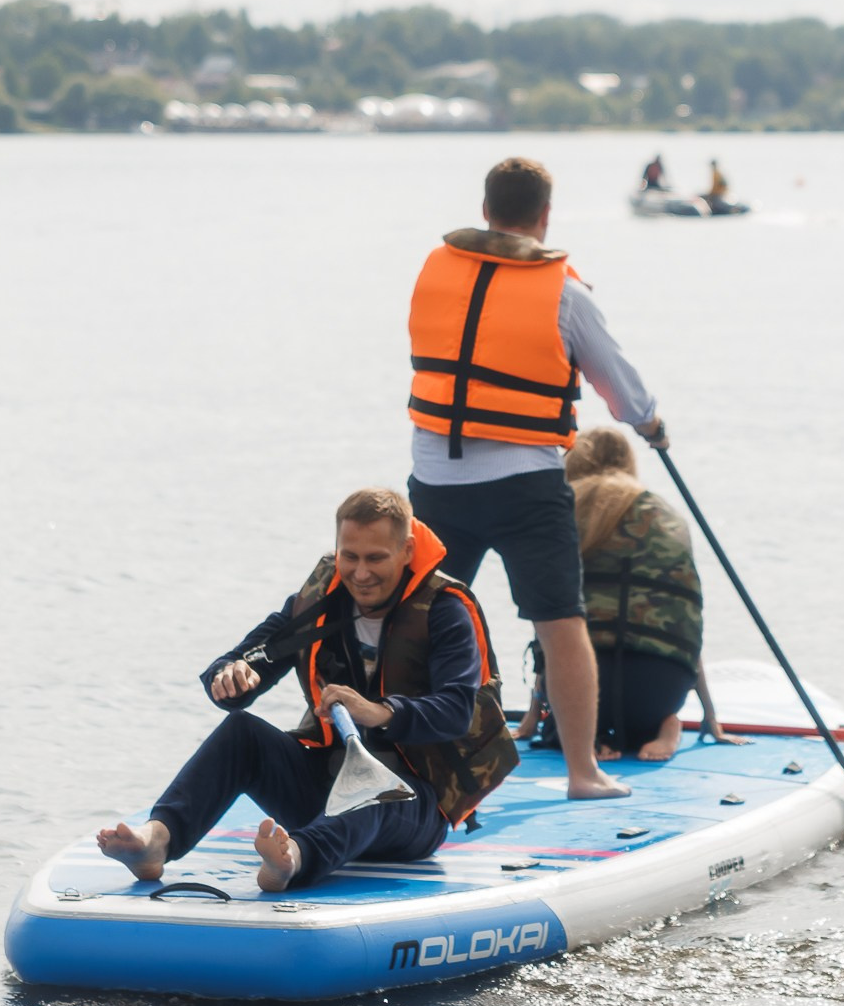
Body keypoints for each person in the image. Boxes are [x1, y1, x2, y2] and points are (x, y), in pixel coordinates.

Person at [96, 488, 518, 892]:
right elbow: (239, 662)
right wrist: (233, 675)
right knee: (242, 731)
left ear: (406, 551)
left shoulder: (446, 610)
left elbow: (456, 710)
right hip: (326, 786)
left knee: (375, 788)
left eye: (376, 558)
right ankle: (158, 840)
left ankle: (293, 859)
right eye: (349, 556)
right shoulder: (322, 598)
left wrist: (379, 711)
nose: (360, 573)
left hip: (414, 806)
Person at [405, 156, 666, 801]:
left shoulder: (435, 272)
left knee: (417, 620)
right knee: (559, 621)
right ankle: (583, 773)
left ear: (486, 209)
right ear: (545, 218)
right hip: (525, 485)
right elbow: (619, 386)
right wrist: (651, 424)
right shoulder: (566, 295)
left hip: (436, 477)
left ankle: (404, 766)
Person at [520, 427, 743, 762]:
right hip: (658, 688)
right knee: (645, 720)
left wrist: (531, 718)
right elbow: (685, 623)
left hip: (582, 687)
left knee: (559, 729)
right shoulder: (664, 514)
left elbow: (550, 629)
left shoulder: (564, 510)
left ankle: (594, 738)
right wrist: (711, 719)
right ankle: (666, 725)